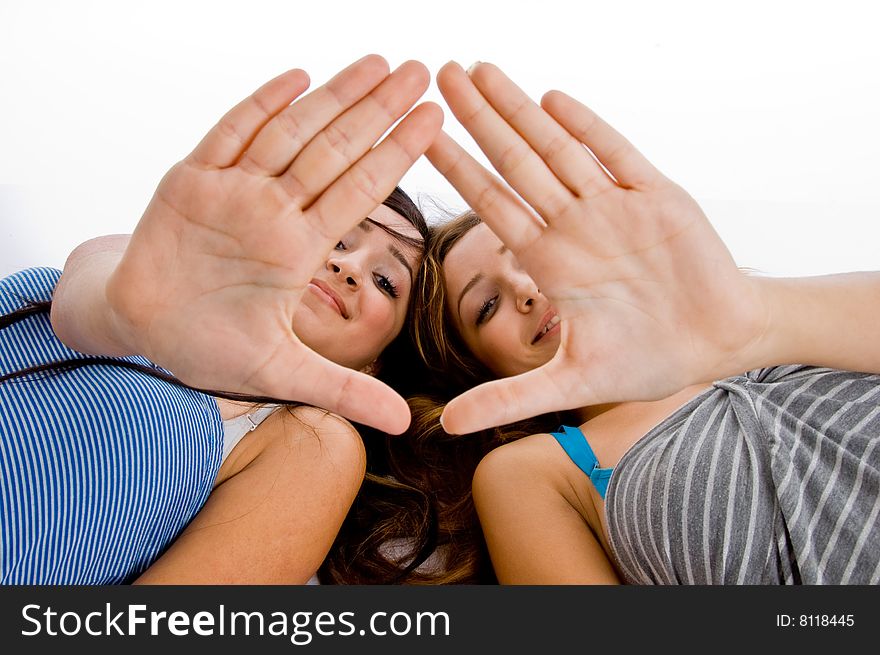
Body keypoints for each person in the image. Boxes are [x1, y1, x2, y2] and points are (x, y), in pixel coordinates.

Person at [411, 61, 880, 584]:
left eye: (533, 258)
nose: (525, 290)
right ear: (477, 365)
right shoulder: (537, 472)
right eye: (486, 306)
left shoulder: (784, 325)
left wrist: (757, 321)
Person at [0, 54, 444, 584]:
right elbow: (82, 299)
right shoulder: (135, 270)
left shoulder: (308, 441)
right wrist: (119, 317)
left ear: (374, 364)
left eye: (385, 282)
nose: (347, 266)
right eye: (337, 236)